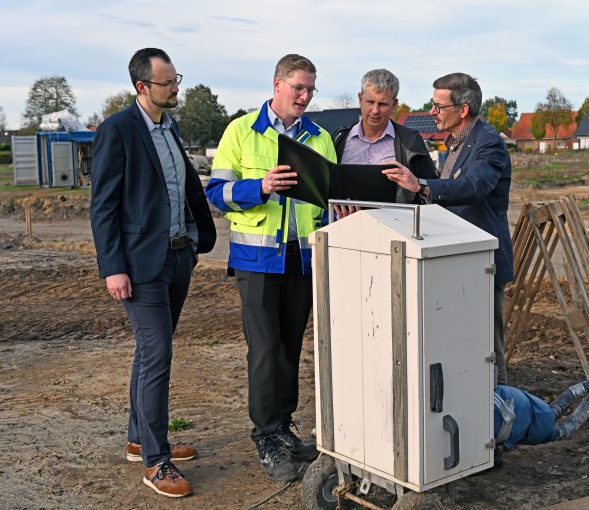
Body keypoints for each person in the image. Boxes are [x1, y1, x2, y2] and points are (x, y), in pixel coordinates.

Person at [90, 47, 216, 498]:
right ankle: (156, 462)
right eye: (167, 82)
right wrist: (113, 268)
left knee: (150, 353)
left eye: (176, 78)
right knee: (157, 354)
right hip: (140, 265)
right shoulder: (117, 130)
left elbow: (181, 186)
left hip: (178, 255)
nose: (176, 87)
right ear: (142, 86)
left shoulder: (170, 126)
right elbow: (102, 206)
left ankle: (139, 438)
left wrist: (201, 237)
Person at [205, 54, 336, 483]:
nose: (305, 96)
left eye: (310, 89)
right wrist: (258, 187)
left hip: (303, 259)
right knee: (264, 351)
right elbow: (216, 193)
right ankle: (265, 437)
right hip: (257, 260)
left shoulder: (319, 138)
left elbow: (331, 197)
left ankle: (283, 427)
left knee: (290, 348)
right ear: (277, 84)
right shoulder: (241, 132)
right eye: (298, 87)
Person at [383, 72, 513, 386]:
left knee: (487, 347)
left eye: (438, 106)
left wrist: (422, 185)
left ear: (462, 109)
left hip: (482, 262)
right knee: (464, 341)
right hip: (459, 258)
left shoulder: (488, 144)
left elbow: (474, 185)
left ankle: (501, 413)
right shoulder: (456, 143)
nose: (432, 112)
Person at [332, 68, 437, 217]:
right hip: (343, 230)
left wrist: (417, 184)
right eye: (370, 102)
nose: (375, 110)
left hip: (396, 232)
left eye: (382, 104)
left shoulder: (411, 141)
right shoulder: (338, 139)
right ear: (360, 99)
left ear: (394, 105)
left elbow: (431, 192)